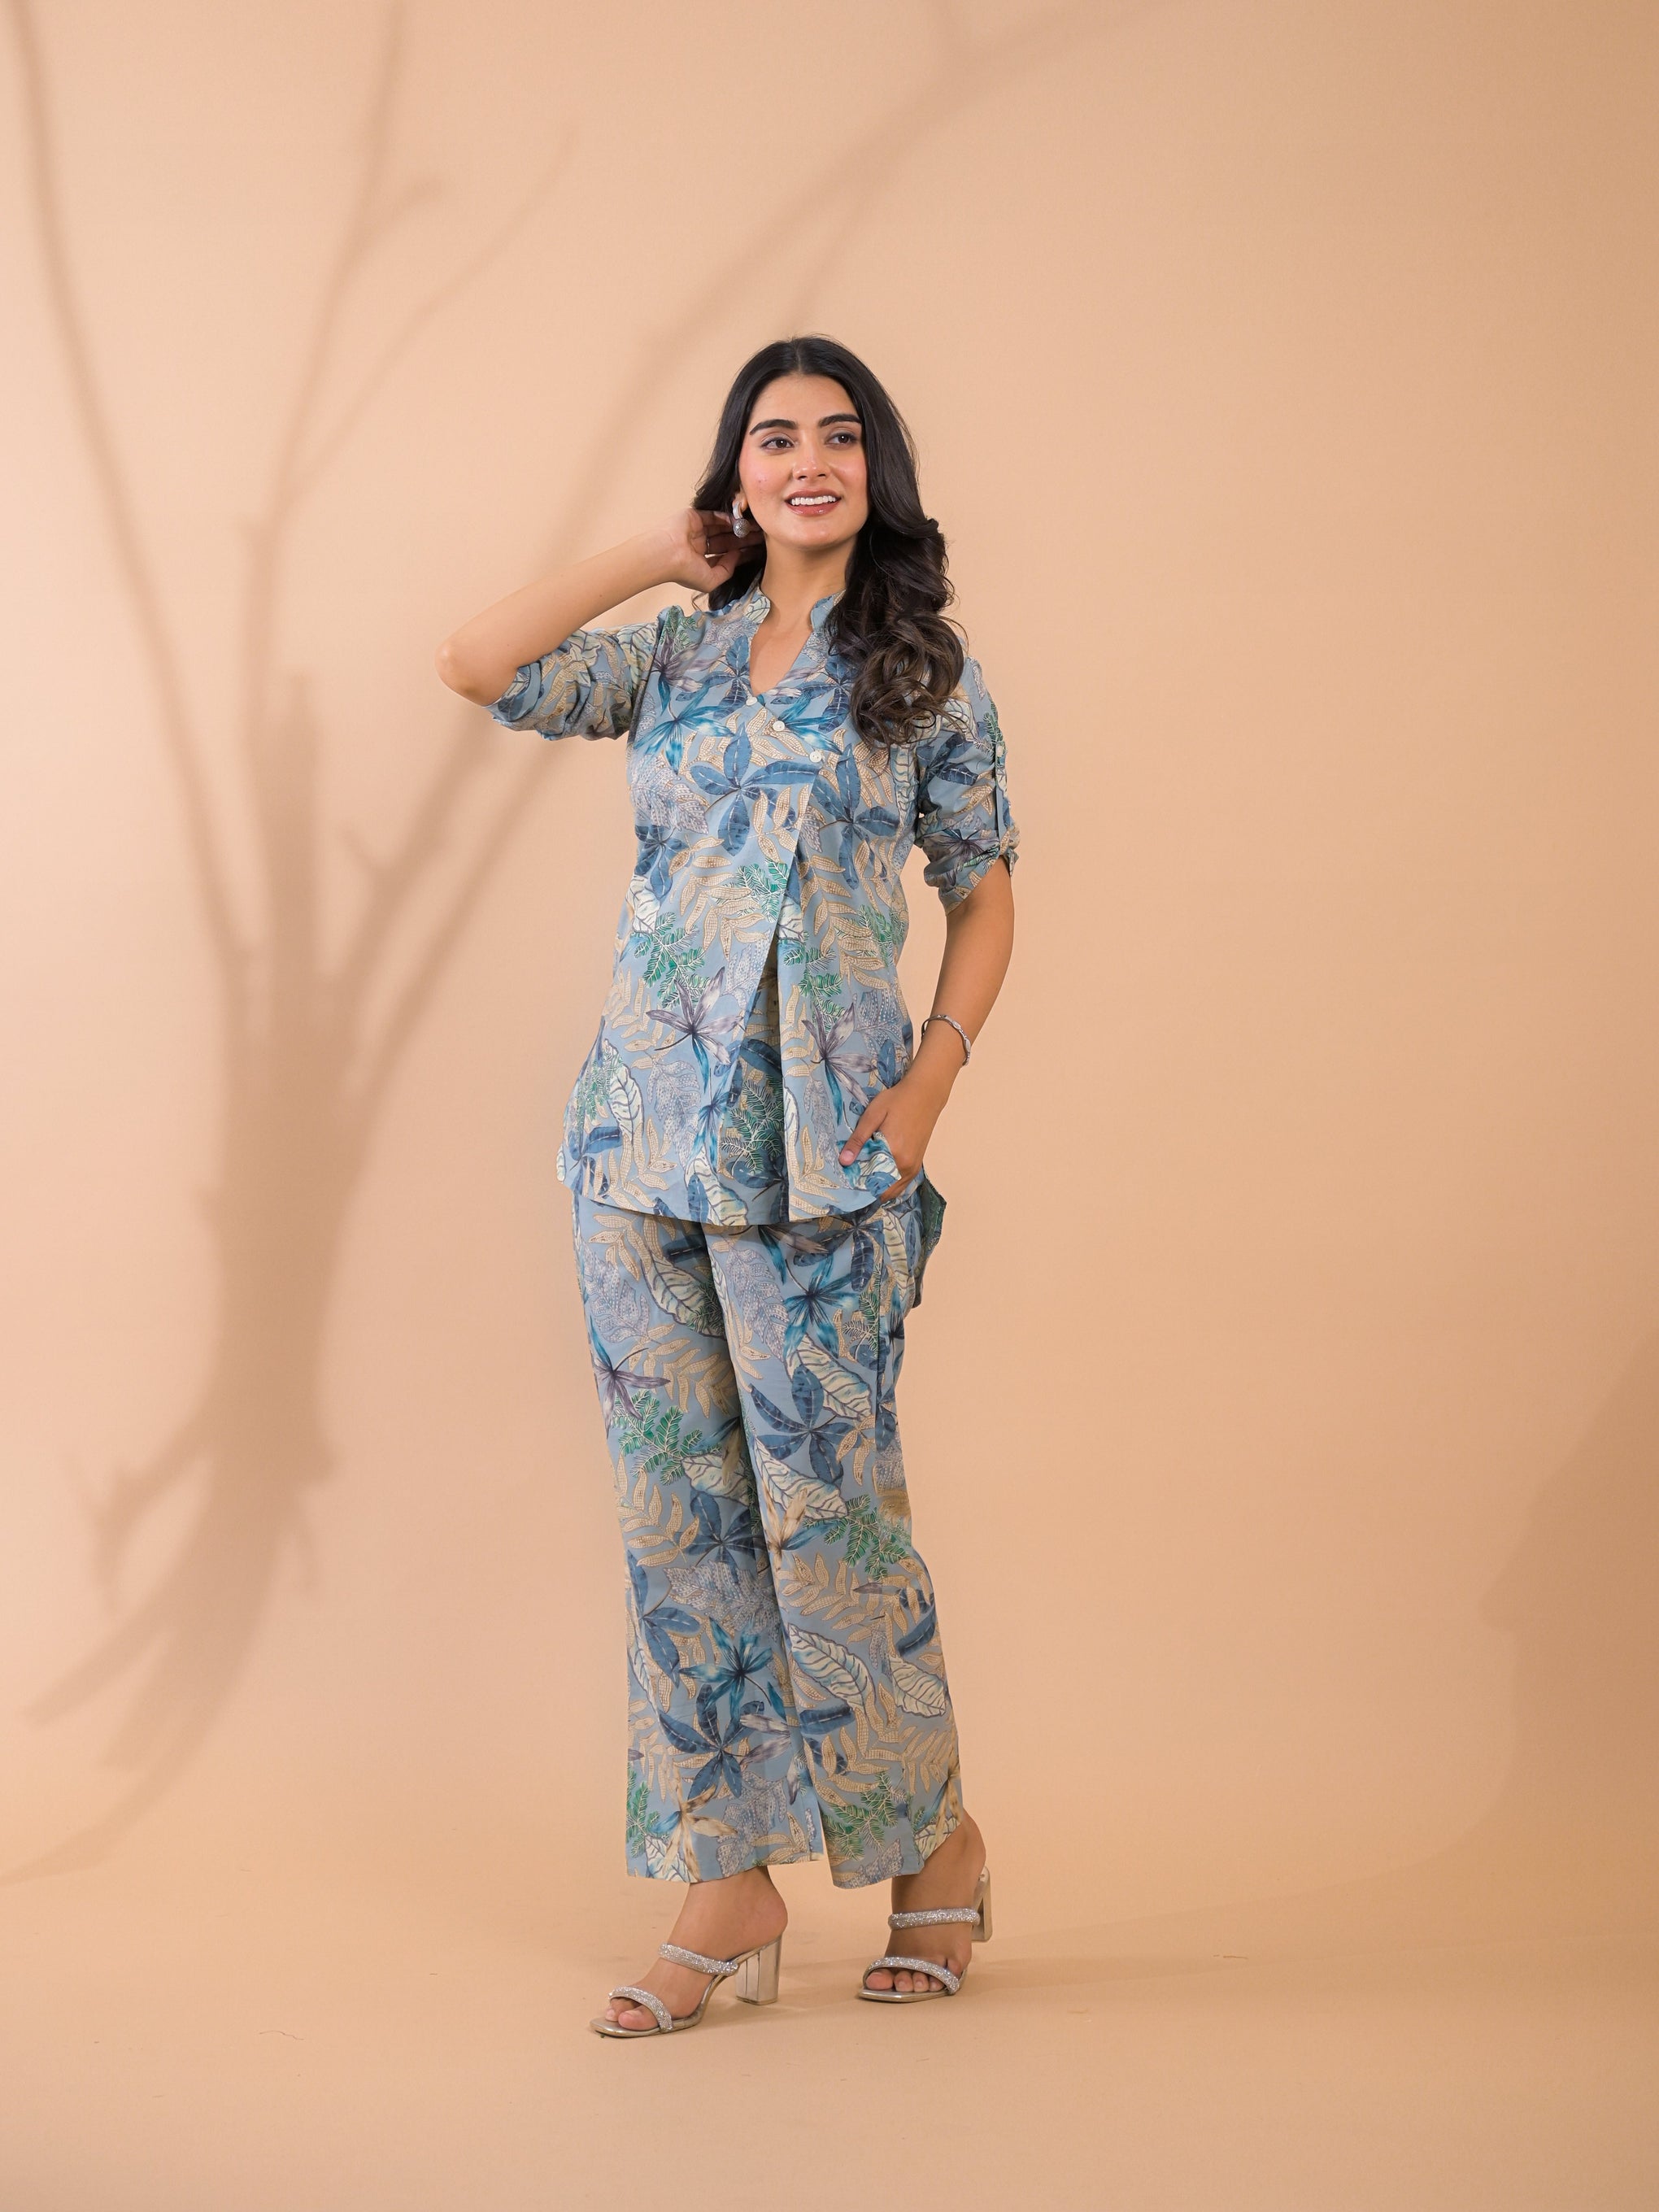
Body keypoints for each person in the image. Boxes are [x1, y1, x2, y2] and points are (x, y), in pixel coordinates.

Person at [436, 335, 1018, 2036]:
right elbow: (476, 662)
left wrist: (929, 1083)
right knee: (677, 1529)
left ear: (875, 471)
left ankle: (934, 1845)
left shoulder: (924, 677)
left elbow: (986, 891)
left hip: (831, 1161)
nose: (807, 461)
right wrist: (654, 551)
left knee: (832, 1525)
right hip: (639, 1148)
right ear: (738, 472)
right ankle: (727, 1879)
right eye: (775, 439)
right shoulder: (676, 657)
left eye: (838, 437)